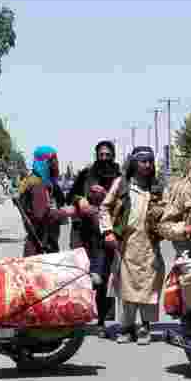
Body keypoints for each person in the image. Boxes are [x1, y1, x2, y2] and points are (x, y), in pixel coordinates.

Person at [101, 146, 167, 346]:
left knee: (149, 287)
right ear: (134, 163)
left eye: (149, 161)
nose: (147, 165)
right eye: (142, 161)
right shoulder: (121, 184)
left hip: (149, 244)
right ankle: (127, 328)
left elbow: (168, 211)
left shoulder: (157, 187)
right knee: (127, 288)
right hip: (126, 244)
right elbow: (104, 207)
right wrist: (108, 231)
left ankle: (145, 327)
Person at [69, 141, 122, 333]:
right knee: (82, 276)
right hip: (83, 234)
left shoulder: (119, 177)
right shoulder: (86, 174)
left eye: (108, 155)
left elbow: (124, 203)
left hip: (105, 234)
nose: (104, 158)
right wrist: (79, 200)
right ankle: (79, 319)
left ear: (113, 156)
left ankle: (101, 321)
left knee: (104, 278)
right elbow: (71, 195)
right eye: (101, 154)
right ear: (96, 155)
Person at [17, 146, 76, 256]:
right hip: (40, 248)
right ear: (45, 162)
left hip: (46, 243)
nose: (56, 164)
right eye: (53, 160)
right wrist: (66, 212)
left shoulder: (46, 183)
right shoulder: (36, 184)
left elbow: (63, 200)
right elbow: (42, 215)